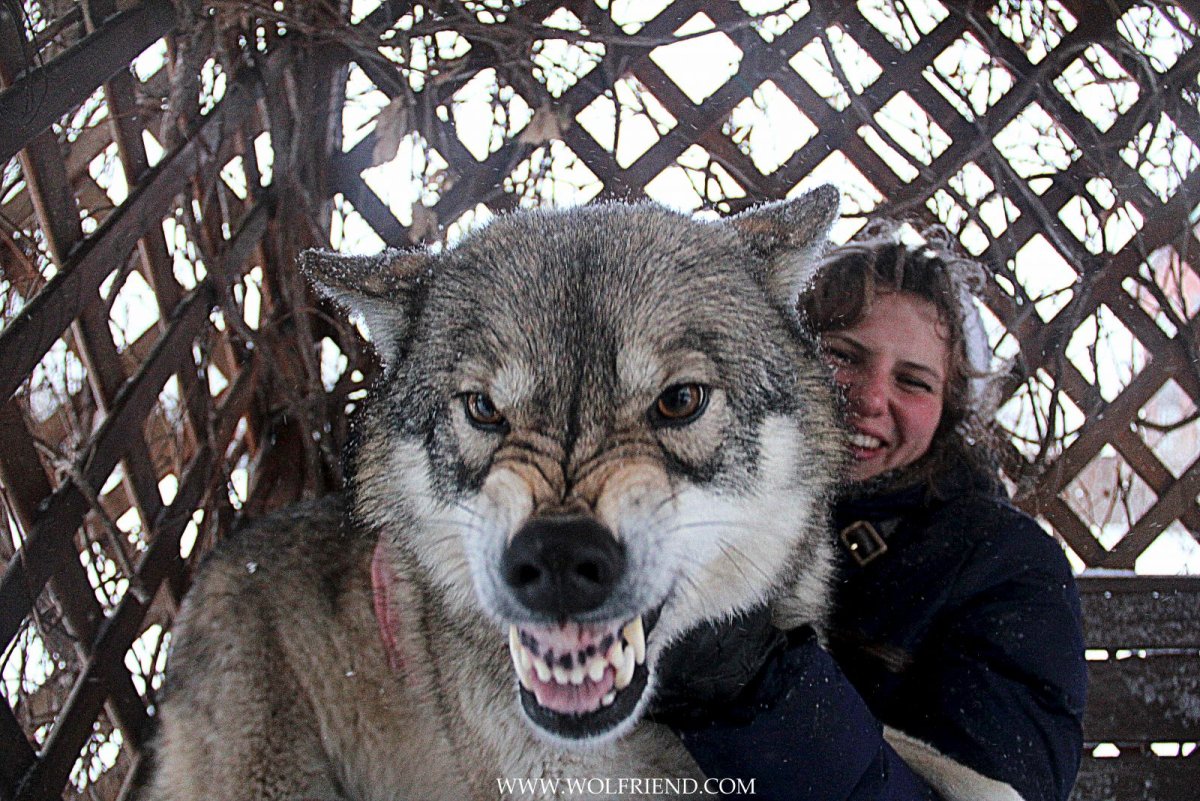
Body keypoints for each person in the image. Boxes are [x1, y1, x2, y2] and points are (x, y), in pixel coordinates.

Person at [652, 221, 1088, 801]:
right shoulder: (695, 500)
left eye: (914, 382)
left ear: (949, 409)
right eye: (842, 354)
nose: (871, 397)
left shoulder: (1005, 568)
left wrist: (752, 682)